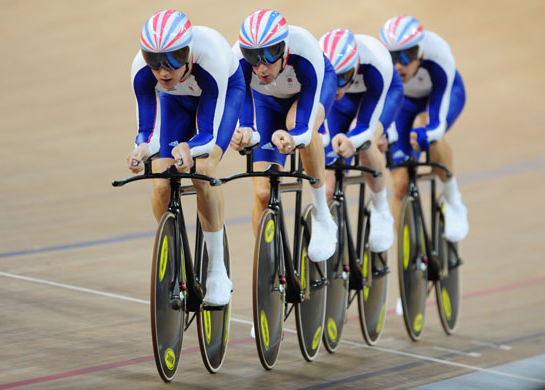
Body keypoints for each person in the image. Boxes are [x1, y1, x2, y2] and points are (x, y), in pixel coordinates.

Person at [127, 10, 245, 305]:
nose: (163, 71)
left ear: (188, 54)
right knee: (161, 182)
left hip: (222, 94)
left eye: (172, 60)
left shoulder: (213, 57)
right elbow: (147, 130)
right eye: (155, 61)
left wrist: (188, 149)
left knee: (202, 170)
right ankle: (174, 254)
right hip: (175, 100)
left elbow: (206, 133)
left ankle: (218, 270)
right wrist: (142, 150)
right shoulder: (141, 71)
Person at [230, 9, 337, 262]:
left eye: (269, 56)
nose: (261, 66)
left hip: (310, 93)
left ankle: (322, 215)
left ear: (284, 48)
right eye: (253, 58)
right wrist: (245, 131)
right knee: (262, 193)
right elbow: (244, 110)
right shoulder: (237, 60)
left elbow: (301, 127)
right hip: (267, 101)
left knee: (298, 126)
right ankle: (267, 264)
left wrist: (294, 138)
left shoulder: (305, 50)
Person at [378, 15, 469, 243]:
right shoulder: (381, 64)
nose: (399, 64)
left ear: (419, 51)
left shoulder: (438, 54)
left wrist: (426, 132)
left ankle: (452, 199)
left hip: (441, 97)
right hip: (404, 104)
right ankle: (405, 255)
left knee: (427, 127)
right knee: (400, 184)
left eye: (406, 55)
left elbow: (436, 122)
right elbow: (382, 108)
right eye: (393, 56)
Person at [319, 28, 404, 253]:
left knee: (367, 143)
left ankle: (380, 208)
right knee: (328, 187)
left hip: (381, 96)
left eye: (343, 78)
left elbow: (366, 127)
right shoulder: (318, 63)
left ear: (355, 67)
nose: (336, 86)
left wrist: (353, 140)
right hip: (341, 106)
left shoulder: (377, 64)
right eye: (331, 79)